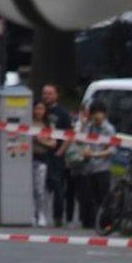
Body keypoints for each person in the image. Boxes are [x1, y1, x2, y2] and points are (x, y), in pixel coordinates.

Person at [73, 102, 116, 229]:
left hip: (102, 167)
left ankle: (106, 222)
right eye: (94, 113)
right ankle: (88, 222)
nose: (97, 116)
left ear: (104, 114)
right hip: (88, 167)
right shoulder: (90, 127)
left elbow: (112, 150)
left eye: (99, 113)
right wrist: (83, 124)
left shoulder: (108, 129)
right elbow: (78, 140)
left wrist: (95, 154)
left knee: (103, 197)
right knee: (87, 197)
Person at [41, 84, 75, 227]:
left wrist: (61, 151)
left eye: (50, 93)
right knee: (40, 186)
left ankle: (58, 216)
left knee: (58, 186)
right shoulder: (39, 110)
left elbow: (69, 134)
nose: (47, 96)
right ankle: (39, 215)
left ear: (56, 95)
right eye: (45, 93)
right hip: (41, 153)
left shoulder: (63, 113)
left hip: (56, 154)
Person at [29, 101, 55, 227]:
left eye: (41, 109)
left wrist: (40, 140)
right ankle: (32, 213)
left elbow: (53, 143)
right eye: (36, 108)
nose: (39, 111)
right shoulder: (29, 123)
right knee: (30, 188)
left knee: (40, 189)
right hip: (29, 158)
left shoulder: (48, 125)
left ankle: (41, 213)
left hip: (42, 158)